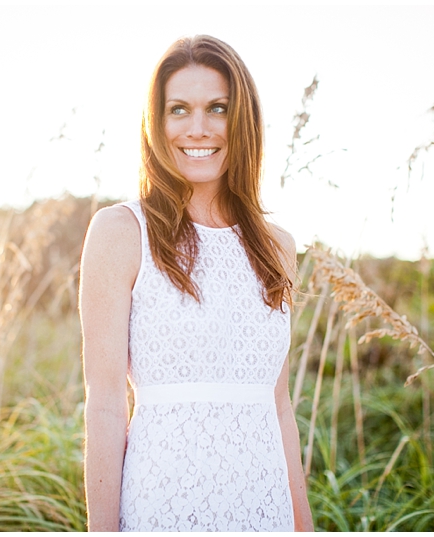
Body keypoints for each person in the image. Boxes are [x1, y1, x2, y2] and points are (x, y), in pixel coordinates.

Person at [79, 34, 314, 532]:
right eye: (178, 109)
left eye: (218, 108)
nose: (198, 129)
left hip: (263, 509)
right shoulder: (122, 232)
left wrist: (302, 525)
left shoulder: (279, 246)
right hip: (161, 508)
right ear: (156, 122)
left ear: (243, 119)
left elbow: (277, 405)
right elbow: (104, 403)